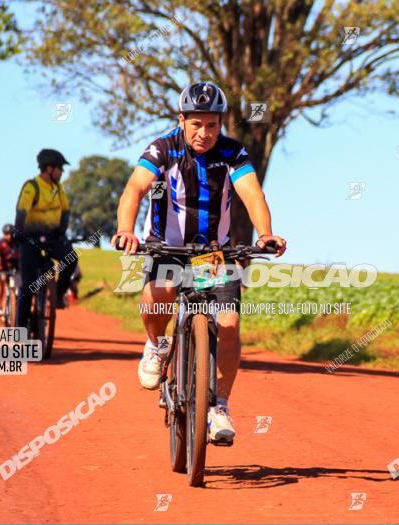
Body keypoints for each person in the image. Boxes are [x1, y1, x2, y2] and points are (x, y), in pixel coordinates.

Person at [111, 81, 287, 445]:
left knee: (229, 321)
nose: (205, 133)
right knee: (157, 296)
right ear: (182, 120)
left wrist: (266, 233)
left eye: (212, 124)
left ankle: (219, 406)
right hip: (167, 248)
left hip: (212, 253)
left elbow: (251, 192)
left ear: (220, 123)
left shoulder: (232, 152)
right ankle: (156, 346)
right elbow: (135, 189)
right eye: (197, 125)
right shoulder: (163, 148)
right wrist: (125, 230)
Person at [14, 148, 78, 330]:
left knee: (71, 258)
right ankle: (21, 330)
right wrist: (18, 232)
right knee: (27, 286)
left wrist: (62, 231)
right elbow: (21, 210)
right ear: (49, 169)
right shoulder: (31, 187)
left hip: (52, 238)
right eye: (60, 168)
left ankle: (57, 295)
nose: (62, 172)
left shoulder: (58, 188)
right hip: (30, 238)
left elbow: (65, 211)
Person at [0, 224, 20, 317]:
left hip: (16, 269)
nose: (9, 236)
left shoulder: (18, 242)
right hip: (3, 269)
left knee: (20, 287)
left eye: (11, 234)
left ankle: (17, 307)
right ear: (3, 234)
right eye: (7, 234)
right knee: (2, 285)